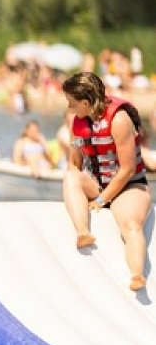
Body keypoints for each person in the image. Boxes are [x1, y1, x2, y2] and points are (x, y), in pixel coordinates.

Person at [61, 72, 151, 292]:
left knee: (130, 224)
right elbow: (75, 164)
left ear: (85, 101)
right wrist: (80, 193)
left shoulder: (119, 120)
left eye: (72, 103)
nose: (69, 107)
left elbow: (128, 169)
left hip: (130, 187)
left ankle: (137, 275)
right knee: (71, 176)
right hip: (98, 184)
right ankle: (83, 232)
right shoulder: (78, 122)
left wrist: (102, 200)